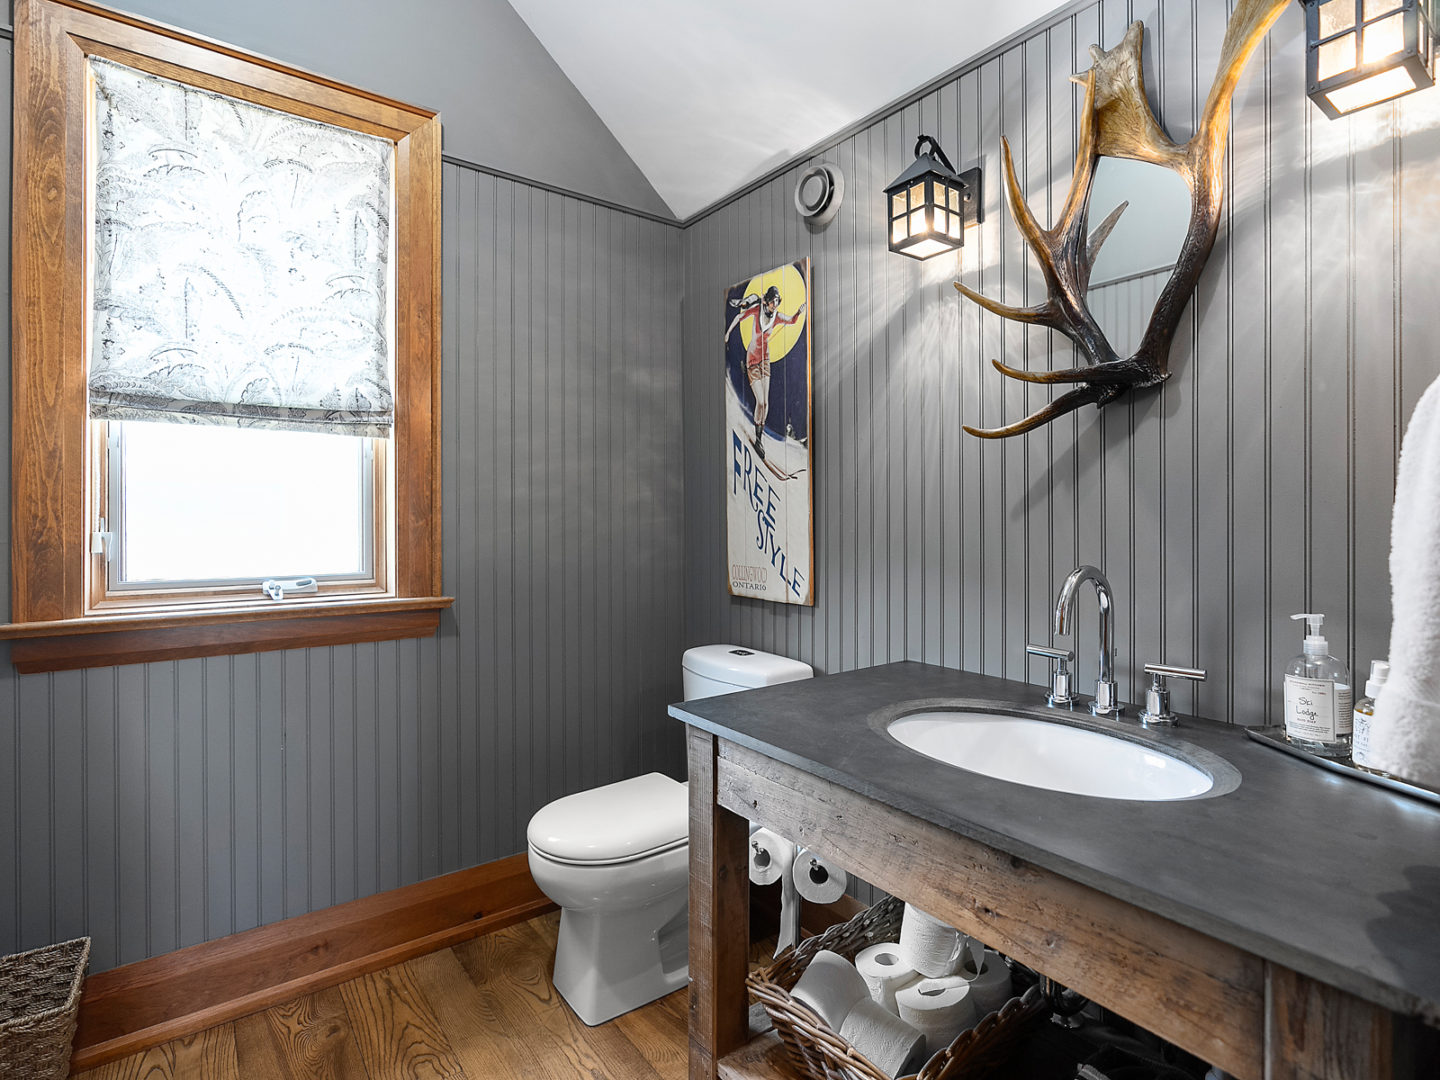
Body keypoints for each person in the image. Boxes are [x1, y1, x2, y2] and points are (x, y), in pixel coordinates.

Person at [724, 285, 805, 460]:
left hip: (765, 360)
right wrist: (728, 333)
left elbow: (791, 321)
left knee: (766, 403)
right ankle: (758, 432)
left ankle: (758, 438)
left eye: (777, 302)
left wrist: (799, 312)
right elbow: (739, 316)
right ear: (767, 301)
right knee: (760, 401)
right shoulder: (757, 310)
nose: (775, 305)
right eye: (773, 301)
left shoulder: (775, 317)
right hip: (752, 360)